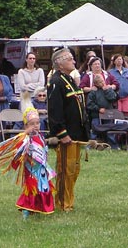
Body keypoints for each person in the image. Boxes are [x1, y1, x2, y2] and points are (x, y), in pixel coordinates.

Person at [0, 107, 56, 220]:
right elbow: (18, 152)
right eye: (32, 124)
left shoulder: (41, 137)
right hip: (31, 168)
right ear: (26, 126)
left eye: (37, 123)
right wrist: (25, 134)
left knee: (43, 187)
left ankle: (39, 208)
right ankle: (26, 210)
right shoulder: (25, 138)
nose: (35, 126)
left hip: (42, 168)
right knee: (32, 188)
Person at [48, 48, 89, 212]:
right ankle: (62, 203)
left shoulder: (69, 79)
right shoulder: (56, 81)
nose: (73, 61)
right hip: (66, 135)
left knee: (74, 169)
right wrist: (61, 133)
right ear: (60, 63)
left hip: (76, 133)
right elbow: (55, 110)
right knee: (66, 169)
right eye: (70, 59)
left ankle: (69, 200)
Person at [86, 74, 119, 149]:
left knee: (109, 130)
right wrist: (98, 109)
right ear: (96, 84)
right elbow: (89, 104)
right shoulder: (93, 92)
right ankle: (90, 145)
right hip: (96, 114)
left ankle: (113, 145)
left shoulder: (108, 89)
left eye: (103, 81)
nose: (103, 83)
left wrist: (107, 90)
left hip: (108, 114)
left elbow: (113, 98)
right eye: (100, 82)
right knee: (94, 130)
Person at [108, 53, 128, 118]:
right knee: (118, 115)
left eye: (120, 59)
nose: (119, 61)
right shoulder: (110, 72)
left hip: (127, 96)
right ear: (114, 61)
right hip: (116, 98)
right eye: (117, 59)